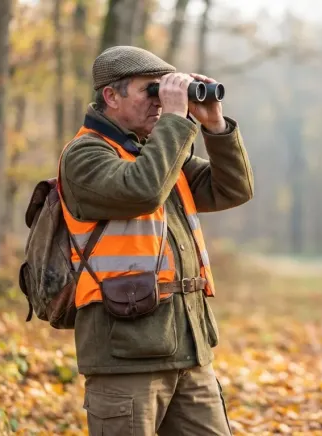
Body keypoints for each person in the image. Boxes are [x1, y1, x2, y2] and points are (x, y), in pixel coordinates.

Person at [57, 45, 253, 435]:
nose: (162, 103)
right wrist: (177, 121)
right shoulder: (85, 155)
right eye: (152, 91)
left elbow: (233, 189)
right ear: (111, 95)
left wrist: (214, 125)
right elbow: (143, 191)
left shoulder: (155, 152)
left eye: (167, 91)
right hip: (126, 358)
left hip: (189, 349)